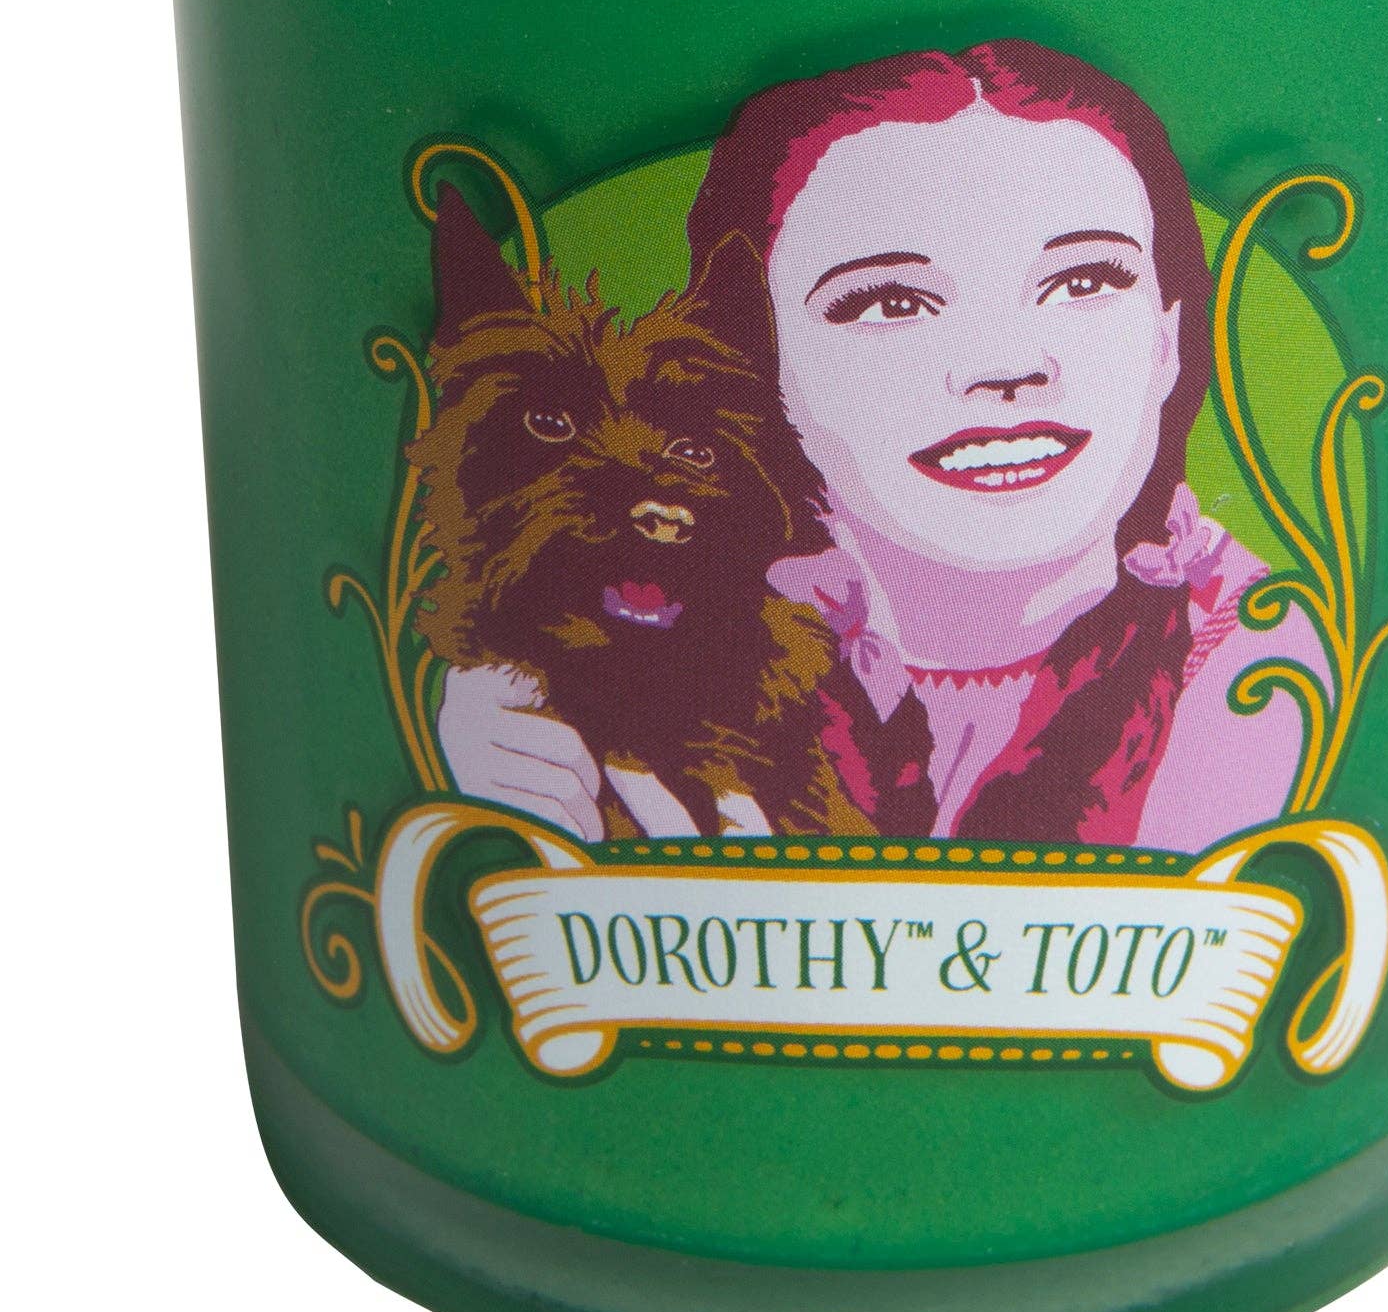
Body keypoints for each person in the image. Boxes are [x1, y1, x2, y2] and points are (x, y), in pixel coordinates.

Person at [436, 42, 1330, 851]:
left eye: (1083, 280)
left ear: (1167, 338)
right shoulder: (681, 620)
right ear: (761, 362)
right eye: (890, 302)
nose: (1004, 367)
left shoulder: (1249, 656)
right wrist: (498, 791)